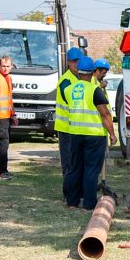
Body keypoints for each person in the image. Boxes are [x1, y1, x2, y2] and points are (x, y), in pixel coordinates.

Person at [62, 57, 117, 210]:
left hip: (75, 134)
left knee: (75, 168)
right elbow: (105, 114)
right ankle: (89, 203)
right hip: (94, 135)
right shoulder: (95, 90)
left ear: (78, 71)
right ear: (93, 72)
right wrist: (112, 134)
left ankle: (72, 201)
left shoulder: (68, 90)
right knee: (91, 170)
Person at [55, 47, 84, 193]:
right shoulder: (65, 81)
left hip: (77, 128)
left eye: (78, 61)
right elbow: (72, 100)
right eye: (73, 62)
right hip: (66, 128)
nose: (76, 64)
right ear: (68, 62)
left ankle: (76, 191)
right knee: (68, 163)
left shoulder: (81, 78)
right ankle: (68, 193)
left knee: (77, 162)